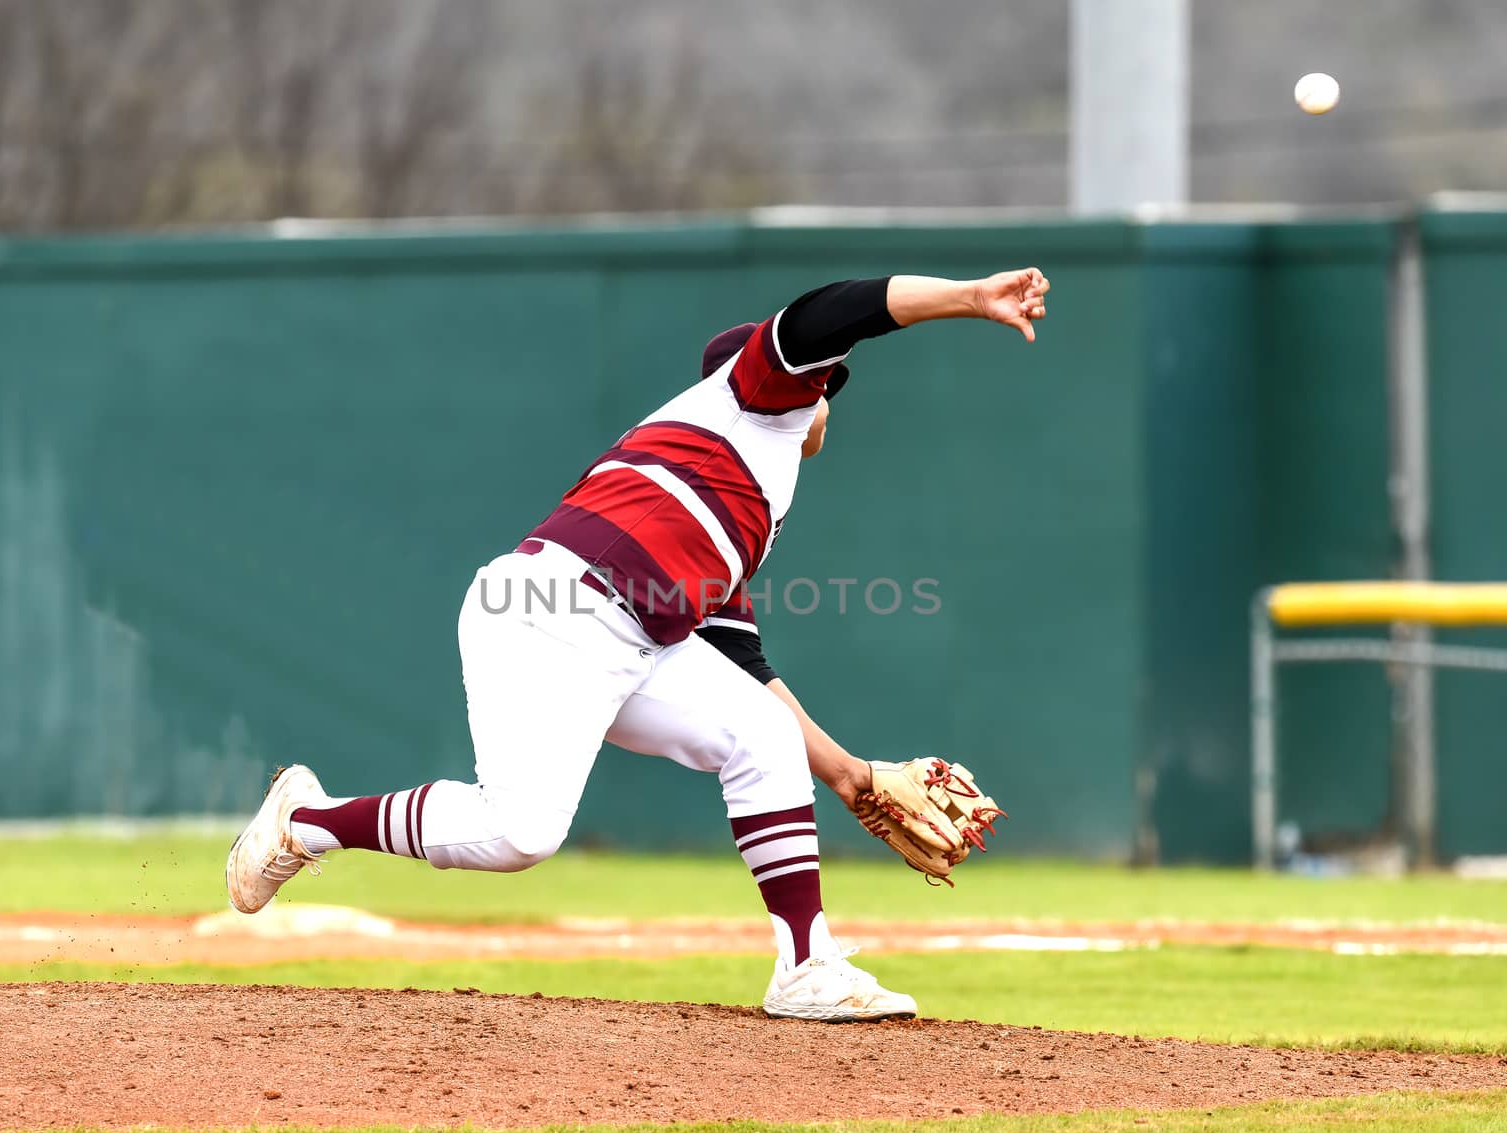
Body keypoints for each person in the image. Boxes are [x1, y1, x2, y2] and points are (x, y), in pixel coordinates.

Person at [227, 269, 1049, 1021]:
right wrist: (969, 299)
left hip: (626, 633)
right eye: (825, 381)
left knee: (759, 735)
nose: (829, 394)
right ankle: (308, 820)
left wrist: (851, 778)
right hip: (547, 612)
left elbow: (743, 669)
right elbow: (833, 312)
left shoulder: (751, 500)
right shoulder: (751, 399)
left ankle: (807, 966)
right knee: (521, 835)